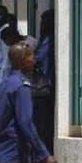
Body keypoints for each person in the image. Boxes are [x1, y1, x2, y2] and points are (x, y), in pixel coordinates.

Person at [32, 10, 55, 155]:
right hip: (46, 85)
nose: (41, 24)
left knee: (43, 122)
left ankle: (44, 153)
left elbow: (38, 58)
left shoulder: (48, 39)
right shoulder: (47, 38)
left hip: (44, 86)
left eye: (44, 21)